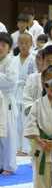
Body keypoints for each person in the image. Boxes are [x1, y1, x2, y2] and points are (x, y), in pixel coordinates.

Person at [14, 33, 36, 156]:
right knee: (16, 121)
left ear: (31, 44)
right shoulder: (14, 59)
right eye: (21, 42)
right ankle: (17, 147)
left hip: (28, 92)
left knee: (26, 120)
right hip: (15, 93)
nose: (23, 45)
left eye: (26, 43)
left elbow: (34, 77)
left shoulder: (33, 59)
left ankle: (26, 148)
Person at [0, 33, 19, 175]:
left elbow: (11, 80)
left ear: (10, 48)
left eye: (3, 45)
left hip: (6, 101)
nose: (0, 48)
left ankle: (10, 166)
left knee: (8, 134)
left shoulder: (12, 62)